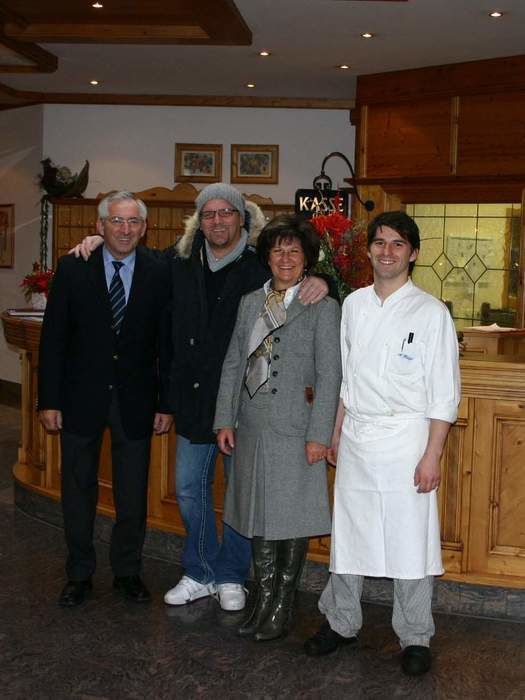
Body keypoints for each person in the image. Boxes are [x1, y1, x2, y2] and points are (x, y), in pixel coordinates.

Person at [71, 183, 330, 612]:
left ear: (241, 218)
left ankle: (231, 576)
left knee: (239, 495)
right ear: (199, 220)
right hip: (192, 402)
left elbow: (296, 278)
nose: (217, 220)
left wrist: (321, 280)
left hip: (245, 405)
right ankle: (201, 570)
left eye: (226, 212)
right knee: (190, 490)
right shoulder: (177, 260)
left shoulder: (260, 263)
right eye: (209, 213)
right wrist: (99, 242)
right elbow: (129, 252)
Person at [303, 211, 460, 677]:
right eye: (379, 242)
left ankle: (415, 635)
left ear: (413, 253)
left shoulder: (431, 313)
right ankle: (341, 621)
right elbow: (345, 379)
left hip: (408, 439)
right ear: (369, 250)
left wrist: (432, 455)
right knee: (349, 536)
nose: (386, 251)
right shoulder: (353, 305)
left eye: (397, 244)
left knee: (411, 540)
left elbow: (444, 393)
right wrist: (336, 432)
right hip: (357, 436)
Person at [39, 191, 172, 607]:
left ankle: (128, 572)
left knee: (132, 495)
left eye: (133, 222)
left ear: (144, 228)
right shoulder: (73, 267)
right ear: (99, 226)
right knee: (78, 491)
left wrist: (166, 403)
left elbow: (166, 343)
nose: (125, 229)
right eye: (116, 221)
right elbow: (54, 338)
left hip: (136, 402)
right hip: (80, 399)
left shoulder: (159, 270)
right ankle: (79, 573)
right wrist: (48, 400)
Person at [214, 214, 341, 641]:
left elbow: (330, 375)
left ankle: (283, 606)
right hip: (251, 425)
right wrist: (224, 419)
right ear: (267, 257)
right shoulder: (250, 302)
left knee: (291, 515)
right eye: (277, 250)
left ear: (307, 258)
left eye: (294, 251)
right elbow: (234, 362)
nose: (285, 258)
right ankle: (264, 599)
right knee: (257, 514)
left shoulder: (323, 306)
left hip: (296, 428)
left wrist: (319, 435)